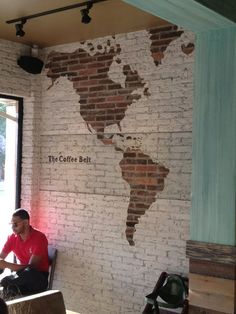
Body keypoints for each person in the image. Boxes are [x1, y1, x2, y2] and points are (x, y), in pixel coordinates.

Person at [0, 208, 49, 298]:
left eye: (15, 224)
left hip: (38, 277)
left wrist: (7, 265)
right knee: (9, 287)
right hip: (22, 275)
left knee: (27, 272)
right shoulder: (12, 237)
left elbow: (32, 267)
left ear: (26, 223)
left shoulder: (39, 237)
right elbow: (1, 257)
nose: (12, 227)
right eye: (11, 224)